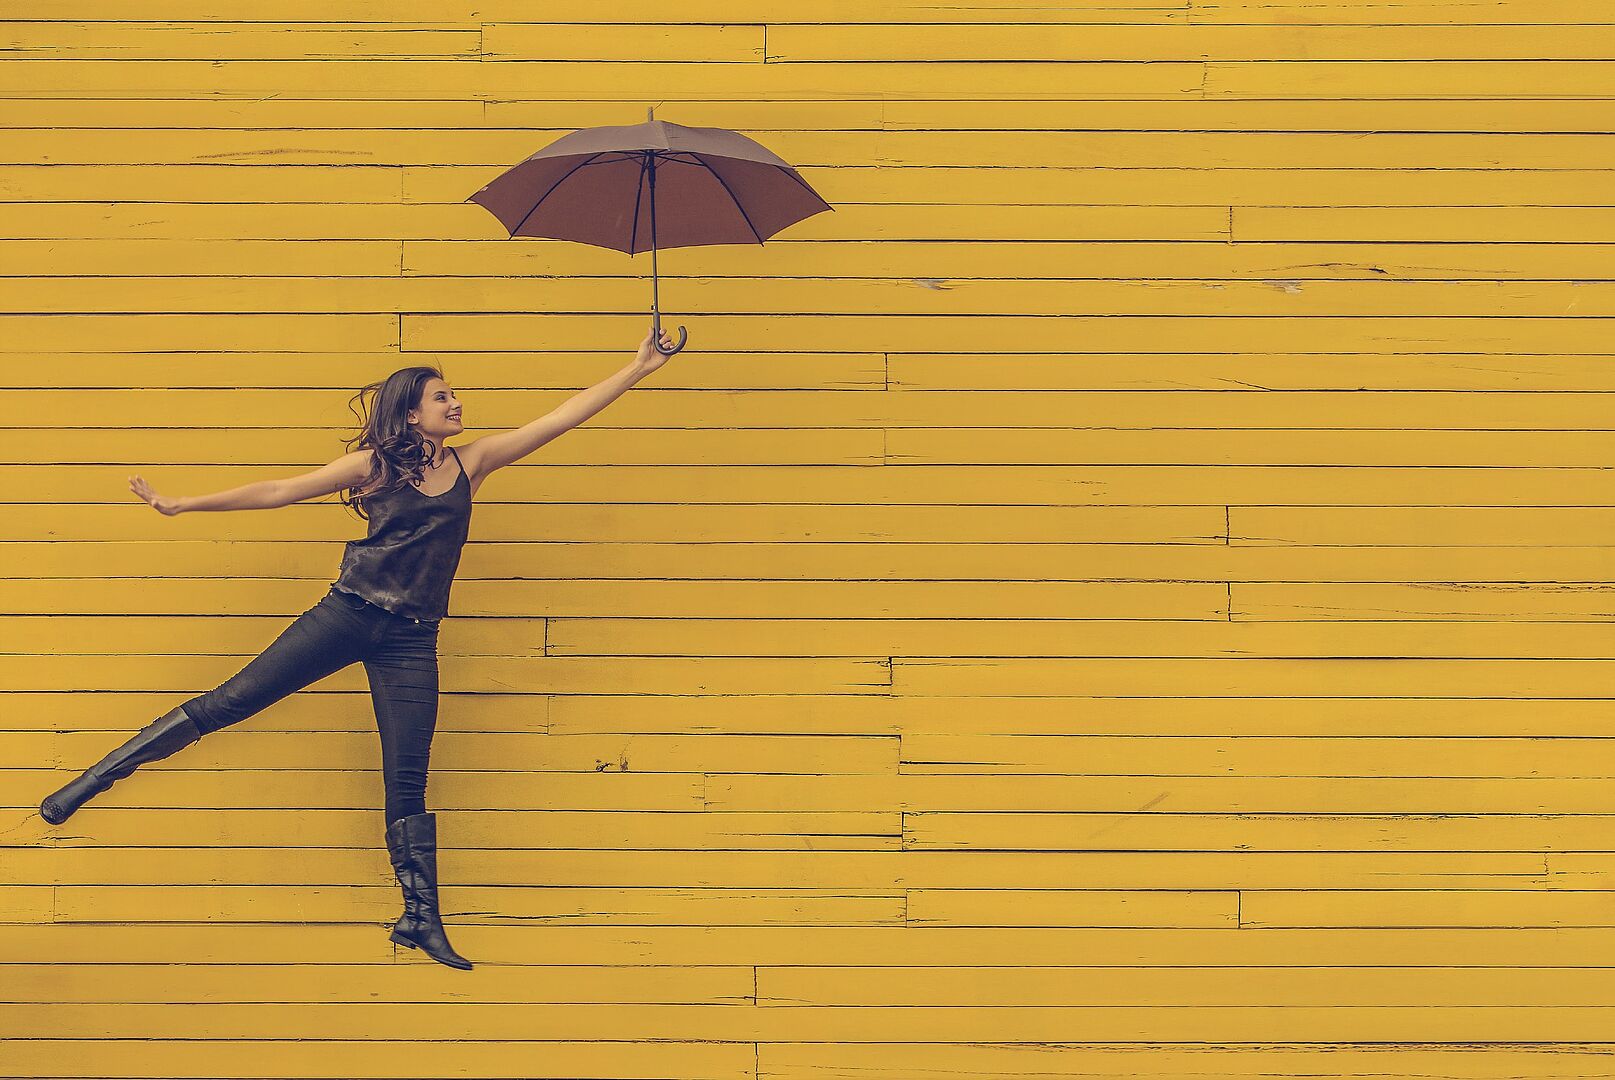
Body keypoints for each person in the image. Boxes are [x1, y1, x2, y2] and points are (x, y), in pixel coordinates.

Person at [39, 324, 683, 970]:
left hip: (411, 639)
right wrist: (183, 504)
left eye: (453, 397)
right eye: (441, 397)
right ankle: (90, 782)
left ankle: (419, 918)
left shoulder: (472, 462)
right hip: (346, 615)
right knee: (229, 702)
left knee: (407, 779)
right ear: (411, 413)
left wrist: (638, 368)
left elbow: (561, 418)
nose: (455, 405)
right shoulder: (374, 466)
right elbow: (280, 490)